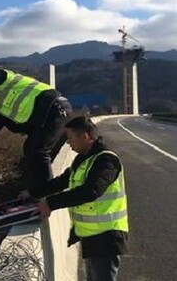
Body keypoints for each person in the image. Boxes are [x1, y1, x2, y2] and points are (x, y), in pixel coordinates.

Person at [23, 116, 128, 281]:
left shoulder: (106, 160)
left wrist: (51, 203)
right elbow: (62, 181)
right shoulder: (83, 159)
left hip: (107, 236)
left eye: (70, 138)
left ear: (85, 136)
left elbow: (90, 191)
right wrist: (33, 193)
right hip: (92, 236)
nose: (68, 143)